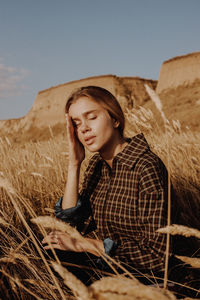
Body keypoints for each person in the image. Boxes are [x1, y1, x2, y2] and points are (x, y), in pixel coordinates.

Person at [42, 86, 171, 285]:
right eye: (77, 123)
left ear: (116, 119)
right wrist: (74, 164)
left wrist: (85, 244)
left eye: (91, 117)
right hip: (109, 267)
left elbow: (157, 256)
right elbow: (71, 224)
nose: (83, 128)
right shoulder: (96, 165)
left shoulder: (146, 166)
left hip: (145, 278)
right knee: (50, 249)